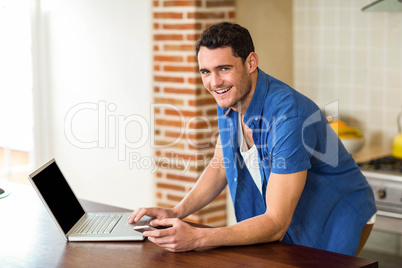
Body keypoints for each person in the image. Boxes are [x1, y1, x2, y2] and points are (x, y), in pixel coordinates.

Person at [128, 22, 376, 256]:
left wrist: (198, 238)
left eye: (224, 69)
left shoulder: (290, 117)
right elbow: (221, 166)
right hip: (289, 217)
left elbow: (277, 223)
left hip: (336, 212)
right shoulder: (229, 98)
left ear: (251, 62)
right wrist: (176, 211)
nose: (214, 82)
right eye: (206, 71)